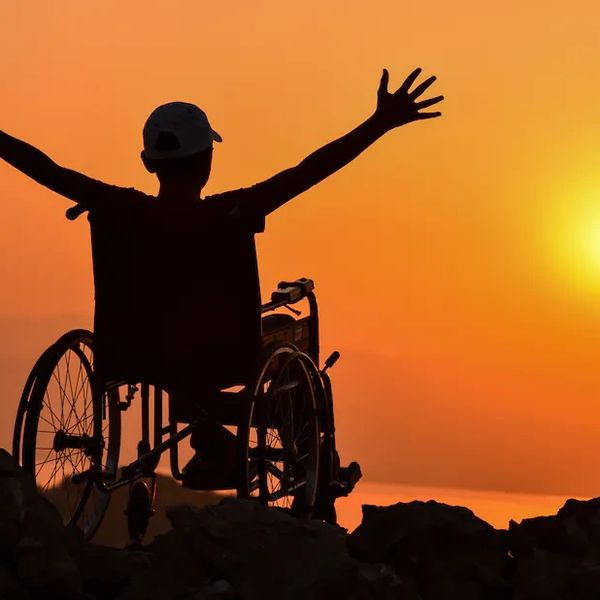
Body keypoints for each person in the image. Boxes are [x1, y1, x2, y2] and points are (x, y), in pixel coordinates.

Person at [0, 68, 443, 487]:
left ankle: (214, 442)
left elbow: (45, 169)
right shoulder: (232, 212)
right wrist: (378, 124)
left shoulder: (118, 209)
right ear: (208, 160)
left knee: (175, 349)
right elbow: (310, 171)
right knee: (287, 332)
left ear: (147, 162)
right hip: (222, 352)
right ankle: (312, 466)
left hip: (132, 350)